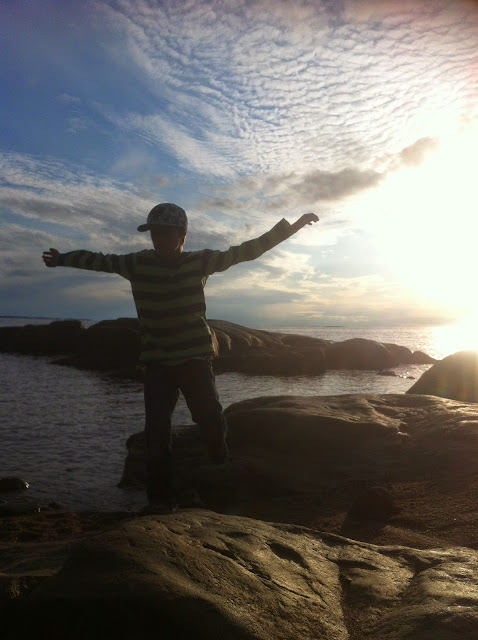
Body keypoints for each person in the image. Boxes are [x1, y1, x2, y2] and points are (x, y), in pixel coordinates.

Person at [42, 203, 319, 513]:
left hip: (194, 360)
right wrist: (62, 259)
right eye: (154, 233)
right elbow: (99, 260)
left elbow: (245, 251)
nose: (158, 239)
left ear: (182, 235)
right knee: (156, 432)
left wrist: (291, 227)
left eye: (165, 233)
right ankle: (160, 501)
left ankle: (219, 461)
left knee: (210, 417)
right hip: (158, 365)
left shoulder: (199, 262)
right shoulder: (136, 264)